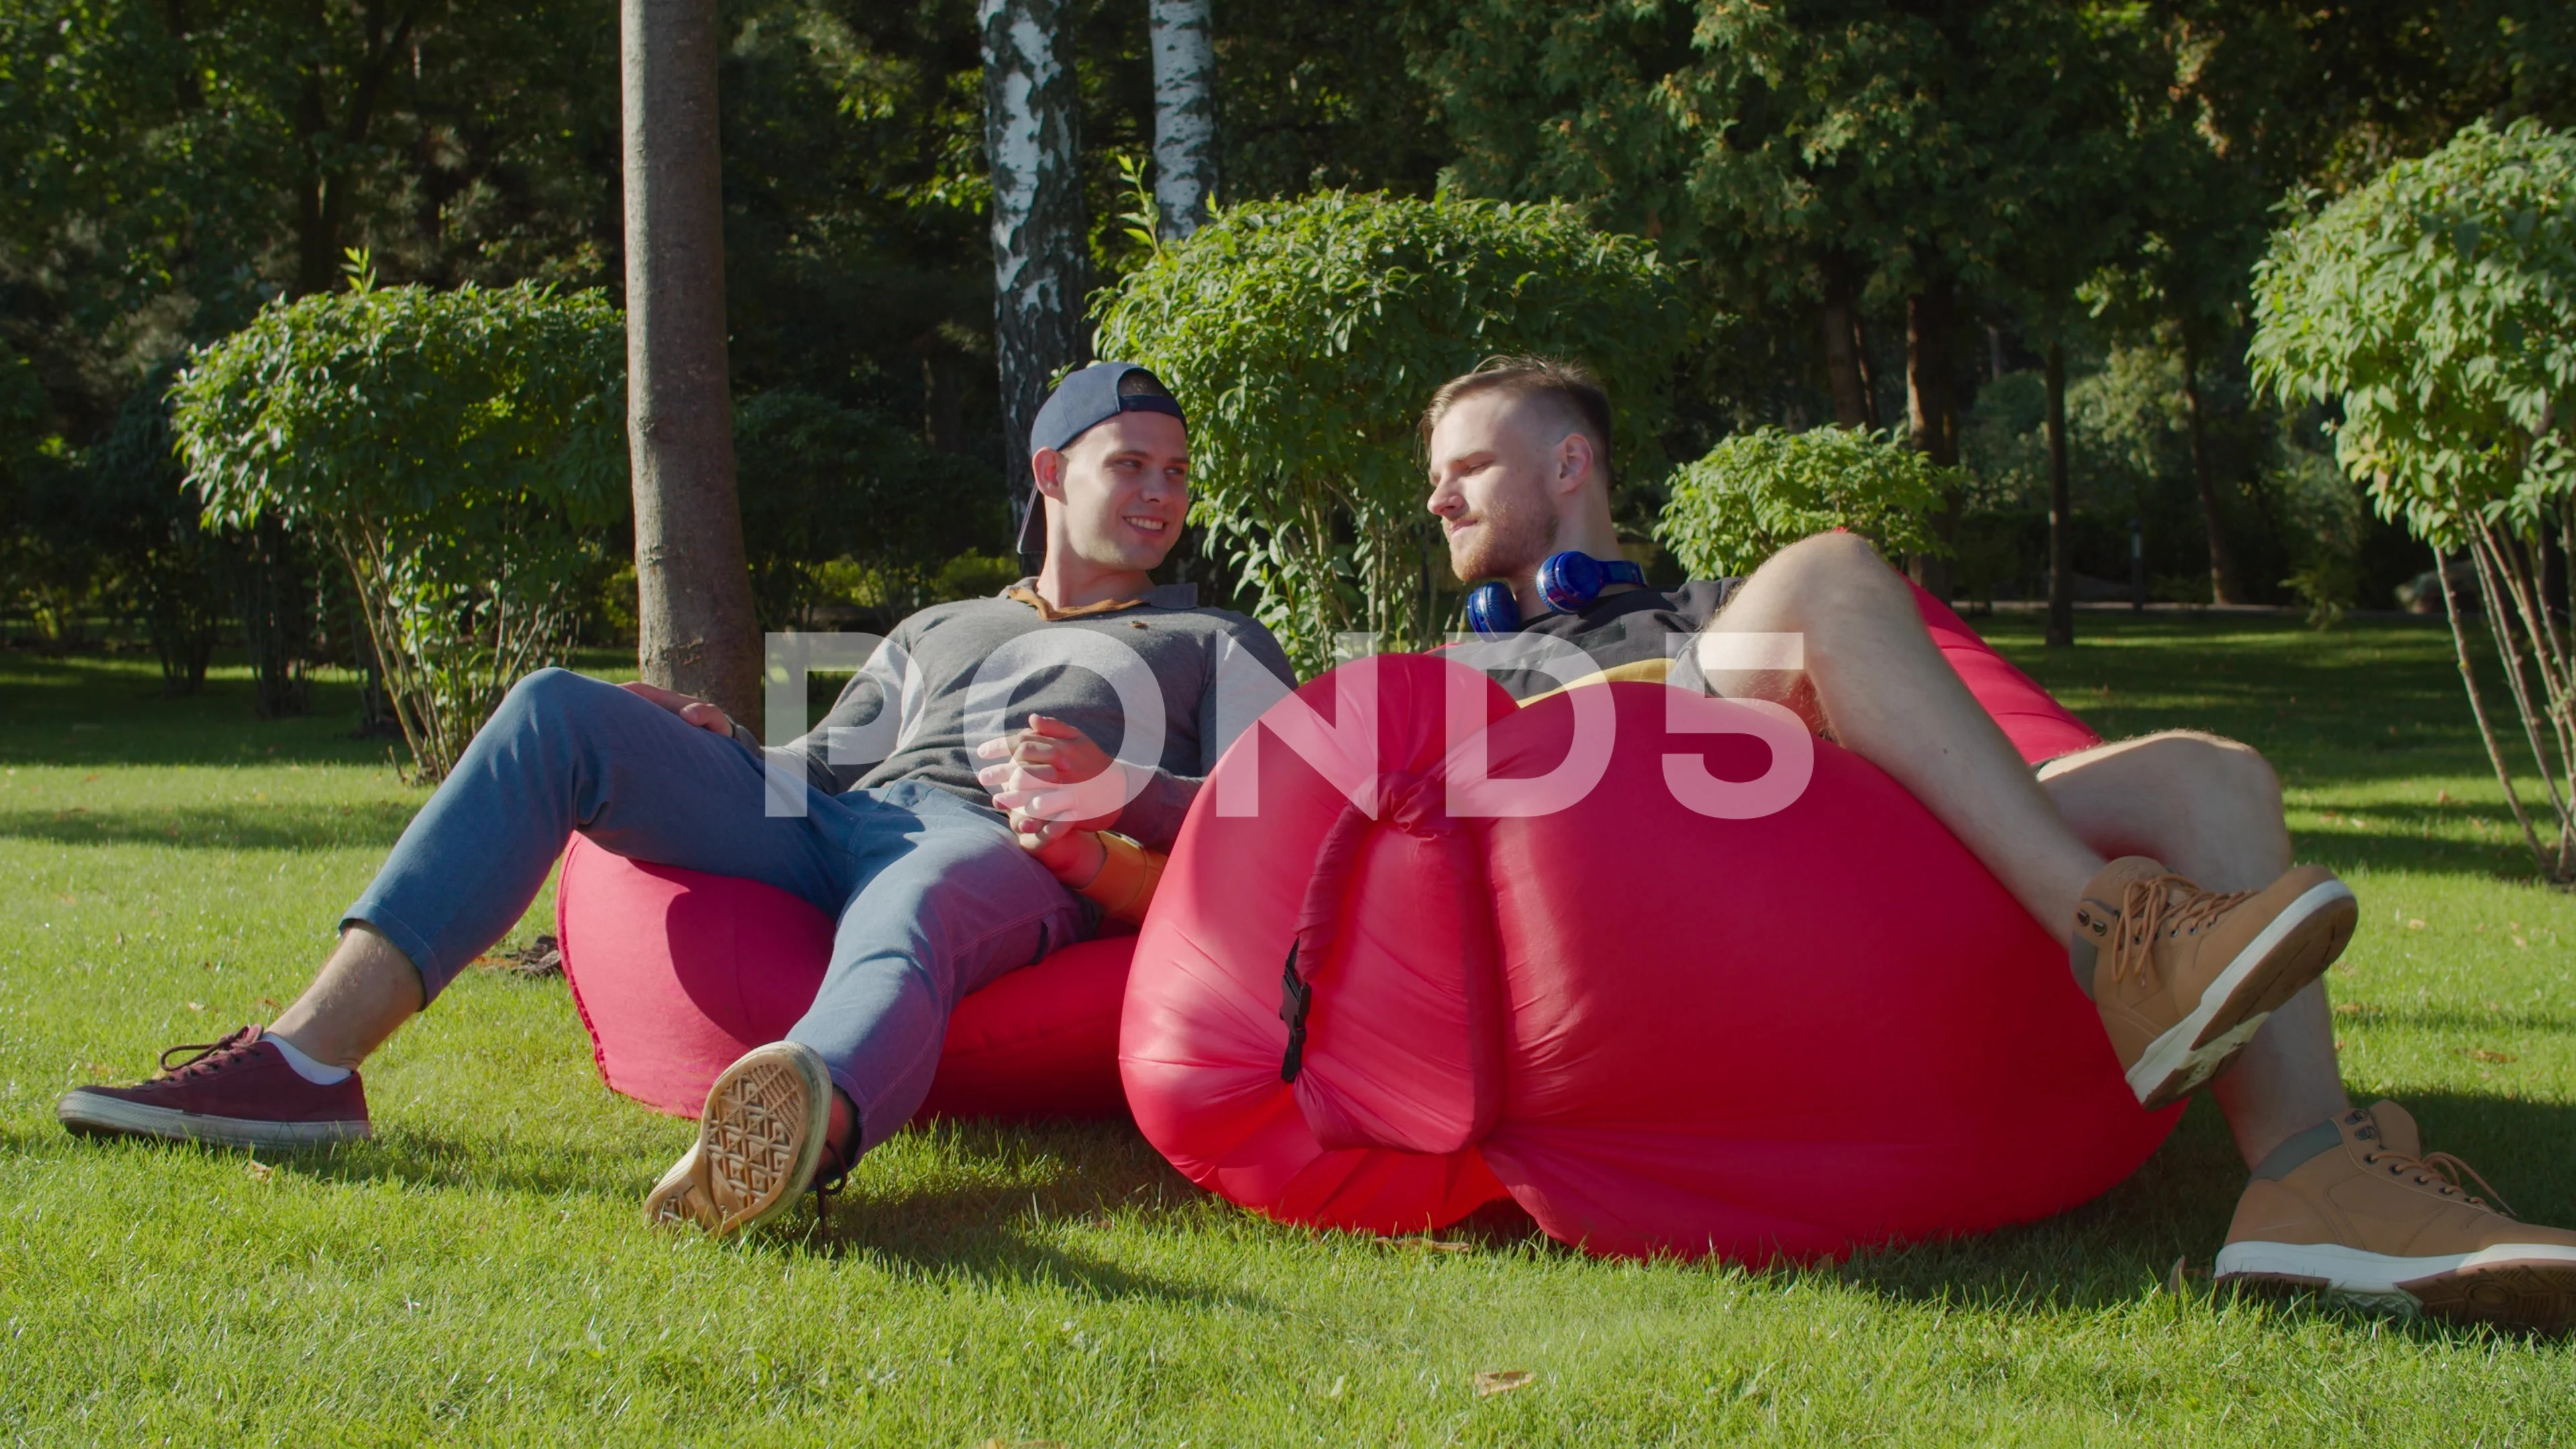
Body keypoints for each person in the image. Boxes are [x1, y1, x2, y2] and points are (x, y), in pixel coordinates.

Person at [1413, 354, 2576, 1328]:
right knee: (1827, 566)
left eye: (1466, 467)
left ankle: (2317, 1186)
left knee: (2213, 780)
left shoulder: (1707, 603)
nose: (1440, 499)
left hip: (1851, 849)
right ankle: (2118, 933)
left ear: (1569, 465)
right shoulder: (1464, 671)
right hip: (1659, 850)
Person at [57, 362, 1295, 1240]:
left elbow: (1269, 818)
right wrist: (719, 747)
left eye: (1177, 471)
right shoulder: (941, 620)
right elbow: (826, 770)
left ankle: (791, 1125)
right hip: (836, 821)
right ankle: (304, 1067)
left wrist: (1124, 789)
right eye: (1130, 463)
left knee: (915, 901)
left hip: (1001, 845)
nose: (1161, 491)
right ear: (1049, 472)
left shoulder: (1208, 635)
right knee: (558, 705)